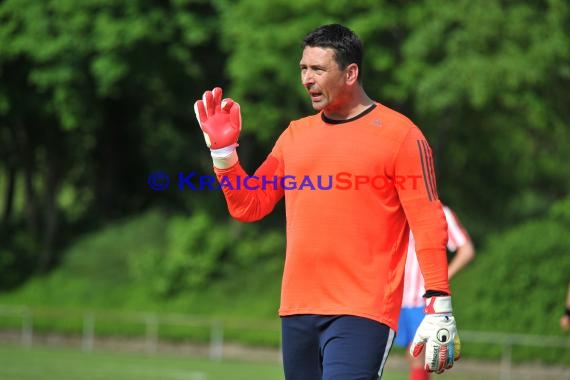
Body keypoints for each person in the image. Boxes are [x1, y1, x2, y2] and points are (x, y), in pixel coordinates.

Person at [194, 24, 460, 380]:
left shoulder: (402, 136)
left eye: (318, 69)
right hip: (297, 308)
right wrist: (224, 154)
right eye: (303, 68)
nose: (306, 78)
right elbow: (249, 205)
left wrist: (439, 303)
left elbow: (427, 222)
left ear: (350, 73)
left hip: (362, 310)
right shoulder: (295, 135)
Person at [396, 205, 475, 380]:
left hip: (424, 300)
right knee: (414, 357)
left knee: (417, 356)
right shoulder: (400, 210)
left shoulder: (441, 213)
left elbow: (466, 250)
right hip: (399, 299)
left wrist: (439, 281)